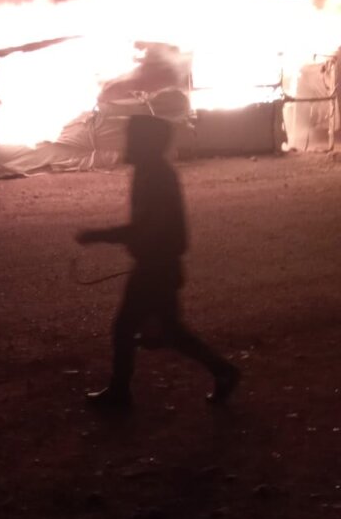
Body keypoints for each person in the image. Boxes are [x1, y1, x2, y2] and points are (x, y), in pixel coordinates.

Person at [75, 114, 240, 409]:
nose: (128, 142)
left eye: (134, 137)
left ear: (146, 142)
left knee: (127, 328)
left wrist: (99, 235)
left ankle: (120, 394)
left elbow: (148, 226)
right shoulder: (151, 171)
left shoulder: (156, 175)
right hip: (158, 263)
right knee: (170, 331)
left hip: (156, 266)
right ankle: (223, 371)